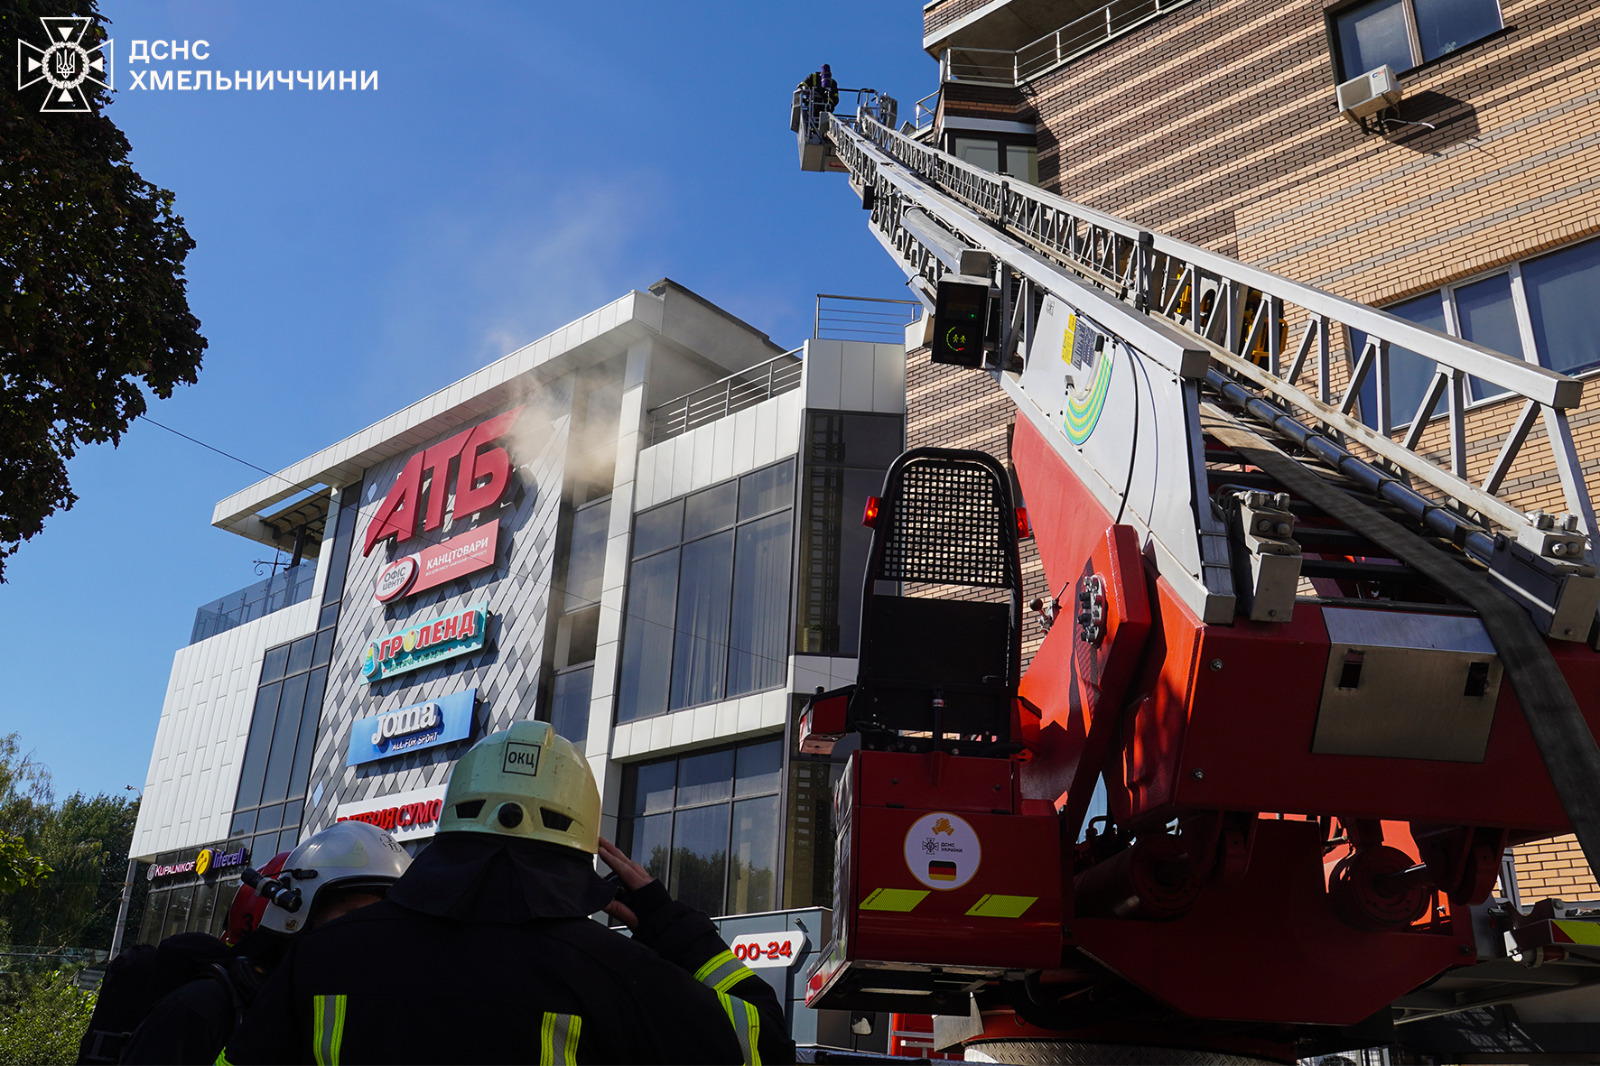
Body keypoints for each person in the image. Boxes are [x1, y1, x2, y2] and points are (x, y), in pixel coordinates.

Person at [220, 720, 795, 1064]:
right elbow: (765, 1043)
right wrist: (669, 923)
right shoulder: (612, 972)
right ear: (578, 840)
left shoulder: (321, 958)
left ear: (451, 824)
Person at [115, 823, 409, 1064]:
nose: (371, 933)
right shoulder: (202, 1008)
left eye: (381, 920)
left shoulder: (345, 1012)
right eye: (355, 916)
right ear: (296, 910)